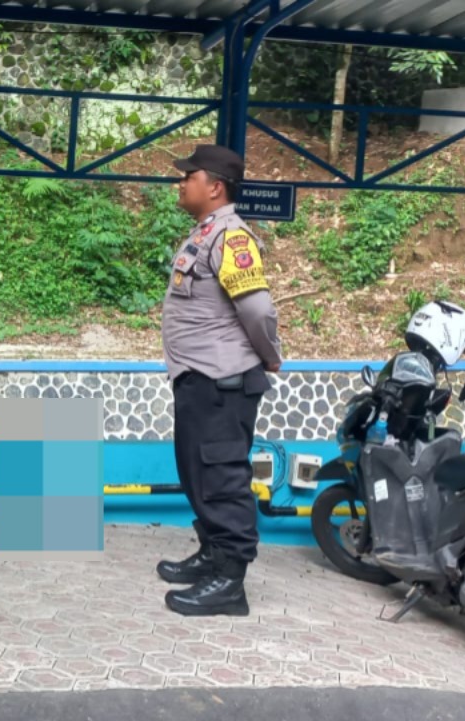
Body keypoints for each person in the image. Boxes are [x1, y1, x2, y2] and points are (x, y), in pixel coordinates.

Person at [153, 144, 283, 618]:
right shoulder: (206, 233)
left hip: (222, 381)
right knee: (198, 472)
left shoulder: (232, 238)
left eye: (190, 176)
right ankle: (212, 554)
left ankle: (230, 582)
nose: (181, 182)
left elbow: (257, 310)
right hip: (200, 380)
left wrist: (270, 356)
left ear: (215, 187)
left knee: (222, 476)